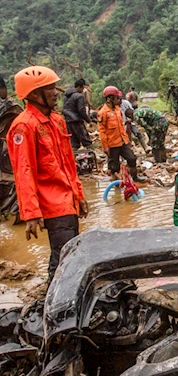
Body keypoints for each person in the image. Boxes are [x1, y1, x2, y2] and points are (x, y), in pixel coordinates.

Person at [7, 66, 89, 281]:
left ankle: (67, 300)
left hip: (67, 200)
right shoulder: (23, 127)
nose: (56, 92)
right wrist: (32, 213)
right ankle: (55, 305)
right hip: (52, 205)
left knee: (71, 253)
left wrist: (78, 195)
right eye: (50, 88)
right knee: (62, 258)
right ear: (34, 94)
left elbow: (69, 164)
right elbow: (24, 171)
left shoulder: (56, 121)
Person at [98, 86, 144, 181]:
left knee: (132, 158)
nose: (119, 100)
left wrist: (127, 140)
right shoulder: (103, 113)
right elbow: (102, 131)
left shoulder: (118, 110)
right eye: (117, 98)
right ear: (110, 98)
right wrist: (105, 146)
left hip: (122, 142)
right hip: (112, 144)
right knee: (115, 166)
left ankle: (134, 178)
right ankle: (117, 185)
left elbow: (122, 127)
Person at [62, 79, 93, 150]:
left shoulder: (66, 96)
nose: (83, 89)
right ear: (80, 87)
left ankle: (73, 159)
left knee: (74, 143)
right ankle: (95, 158)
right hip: (77, 121)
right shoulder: (79, 96)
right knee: (86, 141)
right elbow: (81, 110)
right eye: (83, 87)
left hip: (68, 121)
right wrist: (89, 121)